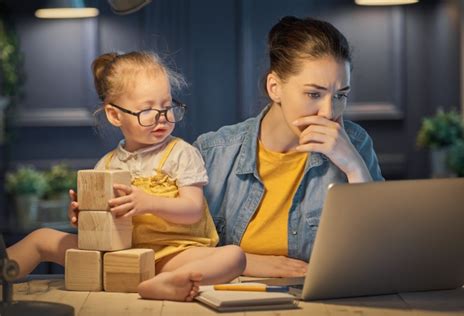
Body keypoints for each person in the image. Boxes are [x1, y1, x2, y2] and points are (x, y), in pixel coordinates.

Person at [7, 51, 246, 302]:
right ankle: (5, 273)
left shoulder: (181, 153)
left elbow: (193, 209)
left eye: (167, 107)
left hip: (171, 254)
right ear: (114, 115)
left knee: (233, 256)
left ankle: (163, 282)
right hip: (118, 254)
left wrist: (149, 202)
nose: (162, 117)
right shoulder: (106, 164)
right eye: (147, 110)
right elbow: (101, 224)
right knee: (41, 238)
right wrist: (83, 216)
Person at [193, 16, 384, 278]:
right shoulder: (213, 152)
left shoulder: (355, 144)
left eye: (340, 95)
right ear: (275, 88)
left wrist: (354, 167)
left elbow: (379, 254)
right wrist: (245, 262)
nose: (328, 112)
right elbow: (173, 249)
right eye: (314, 94)